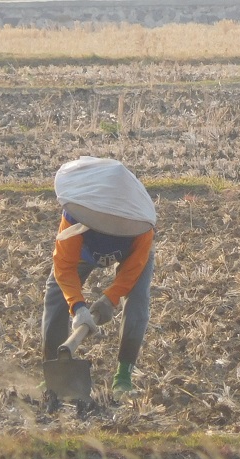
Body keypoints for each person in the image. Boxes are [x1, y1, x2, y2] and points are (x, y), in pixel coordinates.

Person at [42, 156, 157, 399]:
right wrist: (78, 305)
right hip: (84, 252)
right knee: (55, 296)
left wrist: (109, 299)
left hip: (129, 253)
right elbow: (64, 267)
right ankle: (53, 371)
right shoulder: (75, 216)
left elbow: (133, 268)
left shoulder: (140, 228)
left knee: (137, 301)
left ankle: (124, 374)